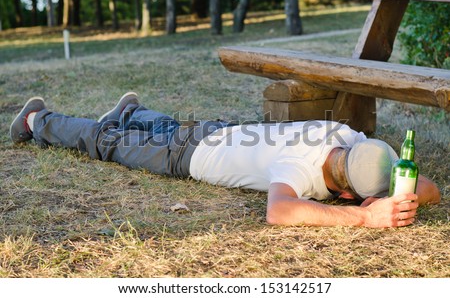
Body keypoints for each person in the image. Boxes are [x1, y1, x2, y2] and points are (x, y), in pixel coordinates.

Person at [10, 92, 441, 228]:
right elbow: (279, 212)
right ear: (348, 194)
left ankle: (133, 115)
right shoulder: (296, 169)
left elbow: (431, 189)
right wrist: (366, 218)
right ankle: (37, 120)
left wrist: (403, 197)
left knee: (164, 126)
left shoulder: (346, 135)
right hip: (190, 155)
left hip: (217, 131)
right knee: (106, 143)